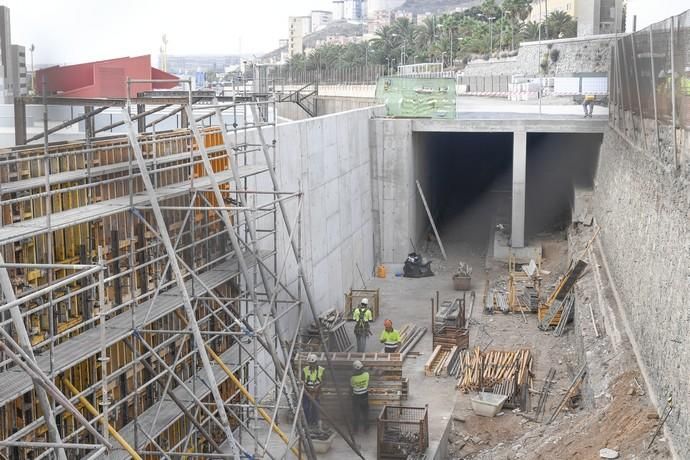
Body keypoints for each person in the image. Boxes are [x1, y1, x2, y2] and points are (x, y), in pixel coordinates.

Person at [302, 353, 324, 428]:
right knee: (306, 407)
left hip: (317, 392)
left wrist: (317, 387)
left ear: (316, 362)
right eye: (310, 364)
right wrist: (308, 388)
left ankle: (315, 422)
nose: (311, 365)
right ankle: (307, 423)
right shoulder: (305, 370)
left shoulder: (321, 370)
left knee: (316, 408)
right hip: (307, 392)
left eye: (313, 363)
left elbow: (324, 381)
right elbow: (302, 381)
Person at [350, 360, 370, 433]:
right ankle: (366, 429)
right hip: (365, 396)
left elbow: (351, 387)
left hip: (356, 397)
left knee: (356, 414)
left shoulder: (353, 378)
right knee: (365, 413)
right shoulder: (366, 375)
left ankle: (355, 430)